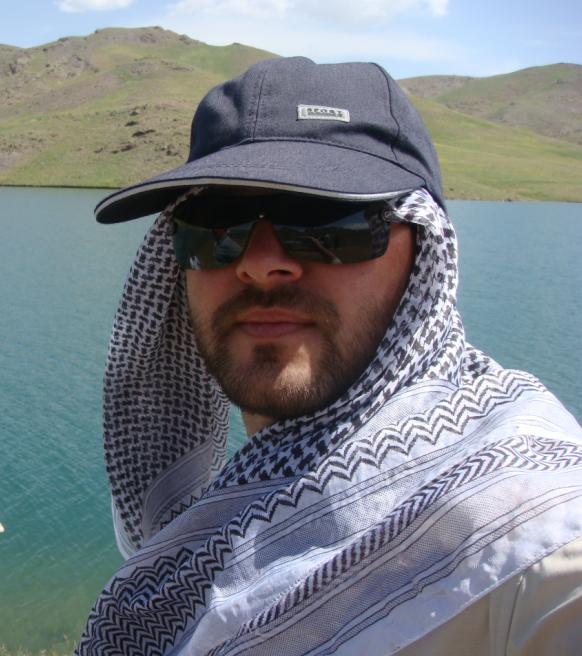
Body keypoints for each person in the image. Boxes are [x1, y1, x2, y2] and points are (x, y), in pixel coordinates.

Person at [77, 57, 582, 655]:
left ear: (423, 251)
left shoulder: (534, 533)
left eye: (328, 220)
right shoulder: (209, 537)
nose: (260, 263)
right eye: (213, 225)